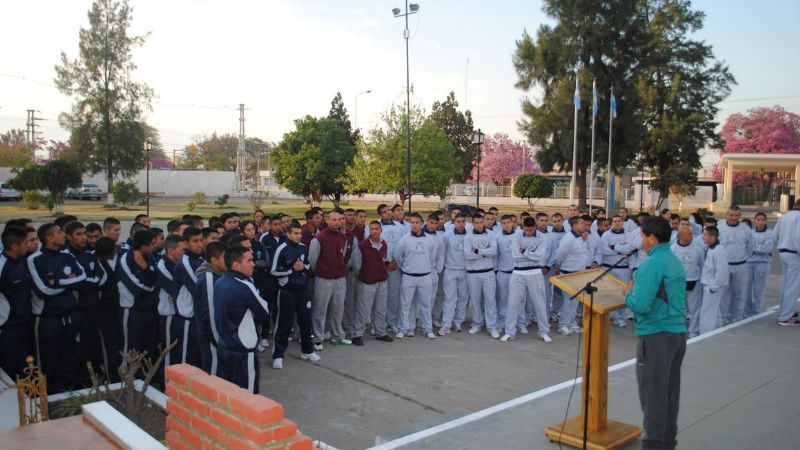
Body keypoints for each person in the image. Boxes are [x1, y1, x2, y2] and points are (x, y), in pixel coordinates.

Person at [622, 217, 687, 450]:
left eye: (642, 236)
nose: (641, 241)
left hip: (658, 334)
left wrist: (627, 293)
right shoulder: (674, 260)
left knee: (652, 395)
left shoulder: (652, 264)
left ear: (651, 238)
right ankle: (667, 442)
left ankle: (654, 445)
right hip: (677, 332)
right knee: (669, 393)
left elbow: (640, 304)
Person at [29, 223, 87, 392]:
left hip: (70, 315)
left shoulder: (67, 256)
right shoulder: (35, 259)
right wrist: (70, 282)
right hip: (48, 318)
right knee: (49, 359)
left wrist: (59, 281)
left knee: (70, 356)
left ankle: (69, 392)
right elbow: (43, 290)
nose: (64, 235)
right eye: (60, 232)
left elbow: (83, 280)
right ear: (49, 238)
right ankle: (50, 396)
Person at [214, 245, 269, 393]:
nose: (253, 264)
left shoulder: (219, 281)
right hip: (244, 350)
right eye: (249, 260)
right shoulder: (245, 285)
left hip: (225, 346)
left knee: (230, 393)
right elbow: (264, 314)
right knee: (248, 395)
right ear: (236, 264)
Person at [270, 223, 319, 368]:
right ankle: (278, 355)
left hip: (303, 290)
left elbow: (308, 265)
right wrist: (291, 270)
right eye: (295, 233)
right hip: (287, 291)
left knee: (306, 322)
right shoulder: (281, 249)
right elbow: (273, 271)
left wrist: (303, 267)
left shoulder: (303, 247)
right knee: (284, 323)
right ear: (288, 234)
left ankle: (307, 351)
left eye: (299, 233)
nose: (298, 236)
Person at [309, 211, 353, 349]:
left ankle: (337, 336)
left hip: (340, 279)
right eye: (334, 220)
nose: (337, 222)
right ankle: (317, 338)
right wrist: (323, 272)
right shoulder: (319, 238)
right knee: (320, 310)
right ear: (327, 221)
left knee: (338, 309)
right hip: (324, 279)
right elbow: (312, 261)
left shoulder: (343, 237)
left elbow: (343, 255)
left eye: (340, 219)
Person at [502, 217, 550, 342]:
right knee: (513, 303)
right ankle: (509, 332)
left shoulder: (542, 237)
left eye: (530, 230)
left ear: (535, 227)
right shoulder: (517, 236)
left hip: (535, 272)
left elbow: (540, 256)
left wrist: (524, 252)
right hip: (518, 272)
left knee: (539, 303)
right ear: (522, 227)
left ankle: (544, 331)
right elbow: (515, 256)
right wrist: (531, 254)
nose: (528, 232)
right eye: (526, 230)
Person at [117, 230, 159, 361]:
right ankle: (130, 378)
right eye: (152, 244)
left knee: (149, 346)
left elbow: (157, 279)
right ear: (143, 246)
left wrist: (145, 268)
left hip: (149, 309)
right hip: (132, 310)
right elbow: (138, 289)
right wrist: (151, 285)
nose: (155, 247)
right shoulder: (125, 260)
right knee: (132, 347)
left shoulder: (150, 257)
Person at [394, 213, 437, 339]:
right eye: (412, 222)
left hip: (425, 276)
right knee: (406, 304)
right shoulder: (405, 239)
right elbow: (398, 256)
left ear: (422, 223)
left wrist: (424, 266)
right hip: (408, 276)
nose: (414, 225)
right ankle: (404, 328)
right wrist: (406, 268)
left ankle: (427, 329)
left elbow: (432, 258)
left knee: (426, 304)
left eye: (417, 222)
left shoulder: (429, 239)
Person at [351, 221, 393, 344]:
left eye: (377, 229)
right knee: (363, 309)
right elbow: (356, 265)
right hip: (367, 282)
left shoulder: (384, 244)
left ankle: (380, 332)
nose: (375, 231)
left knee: (381, 309)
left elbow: (384, 261)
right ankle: (357, 334)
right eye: (372, 229)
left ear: (381, 230)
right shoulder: (362, 245)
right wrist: (365, 276)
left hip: (382, 281)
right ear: (369, 231)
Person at [0, 226, 31, 379]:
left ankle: (26, 400)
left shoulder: (21, 262)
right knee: (9, 368)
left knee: (25, 367)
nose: (29, 245)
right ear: (14, 246)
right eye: (26, 242)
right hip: (7, 327)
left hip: (24, 324)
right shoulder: (2, 265)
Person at [193, 241, 227, 375]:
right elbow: (210, 313)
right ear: (214, 260)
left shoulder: (218, 275)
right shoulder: (208, 278)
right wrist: (219, 340)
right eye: (225, 257)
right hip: (212, 338)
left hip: (218, 337)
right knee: (214, 373)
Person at [553, 216, 590, 335]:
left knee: (575, 301)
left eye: (585, 224)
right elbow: (560, 255)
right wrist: (558, 267)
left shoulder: (580, 237)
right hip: (568, 273)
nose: (584, 226)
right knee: (568, 301)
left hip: (579, 273)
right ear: (574, 225)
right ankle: (563, 325)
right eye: (582, 223)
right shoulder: (568, 238)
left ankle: (572, 323)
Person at [716, 206, 753, 325]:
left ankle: (736, 317)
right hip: (724, 266)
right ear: (726, 214)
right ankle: (723, 318)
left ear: (740, 216)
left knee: (739, 293)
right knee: (724, 294)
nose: (734, 218)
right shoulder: (720, 227)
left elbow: (750, 248)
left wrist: (742, 258)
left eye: (737, 215)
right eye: (731, 215)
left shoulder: (746, 230)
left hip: (740, 265)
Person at [93, 237, 123, 382]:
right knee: (109, 344)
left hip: (120, 307)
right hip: (104, 309)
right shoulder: (95, 261)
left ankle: (122, 374)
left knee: (121, 343)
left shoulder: (121, 257)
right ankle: (111, 377)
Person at [173, 227, 204, 366]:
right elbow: (198, 288)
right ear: (185, 243)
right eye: (195, 241)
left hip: (200, 315)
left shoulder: (201, 258)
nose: (199, 244)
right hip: (188, 316)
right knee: (187, 356)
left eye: (201, 240)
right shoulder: (184, 263)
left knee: (199, 355)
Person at [671, 219, 705, 338]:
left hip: (694, 282)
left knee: (694, 309)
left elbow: (702, 265)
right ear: (681, 236)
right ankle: (679, 330)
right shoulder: (673, 249)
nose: (691, 236)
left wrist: (699, 280)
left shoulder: (697, 249)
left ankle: (694, 332)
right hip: (678, 283)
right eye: (689, 234)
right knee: (678, 308)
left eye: (691, 234)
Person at [155, 235, 185, 369]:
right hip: (169, 314)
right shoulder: (162, 266)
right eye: (182, 250)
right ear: (171, 250)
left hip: (179, 314)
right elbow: (175, 290)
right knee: (168, 351)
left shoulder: (179, 264)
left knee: (178, 352)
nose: (184, 253)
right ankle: (165, 385)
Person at [440, 214, 469, 335]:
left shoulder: (470, 235)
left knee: (463, 298)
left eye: (463, 221)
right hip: (450, 270)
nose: (461, 224)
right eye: (458, 221)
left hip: (465, 271)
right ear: (454, 222)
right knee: (449, 298)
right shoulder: (447, 236)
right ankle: (446, 324)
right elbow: (443, 253)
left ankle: (458, 321)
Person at [773, 198, 800, 326]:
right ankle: (786, 317)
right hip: (794, 254)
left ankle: (783, 311)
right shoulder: (799, 217)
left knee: (785, 284)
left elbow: (774, 236)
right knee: (793, 286)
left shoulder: (784, 216)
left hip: (783, 252)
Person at [377, 204, 404, 333]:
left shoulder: (400, 227)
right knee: (380, 296)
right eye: (384, 212)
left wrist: (396, 262)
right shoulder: (376, 226)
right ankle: (378, 323)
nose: (387, 213)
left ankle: (392, 322)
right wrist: (382, 263)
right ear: (380, 215)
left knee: (394, 295)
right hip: (380, 266)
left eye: (389, 210)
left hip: (395, 266)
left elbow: (403, 246)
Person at [699, 226, 729, 334]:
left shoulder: (719, 251)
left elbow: (722, 271)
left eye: (705, 235)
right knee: (715, 310)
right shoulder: (711, 248)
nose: (703, 237)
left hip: (712, 285)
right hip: (709, 283)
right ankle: (717, 329)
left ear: (713, 236)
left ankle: (705, 333)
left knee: (707, 312)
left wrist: (714, 287)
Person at [746, 212, 774, 318]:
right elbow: (748, 247)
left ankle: (757, 310)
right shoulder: (750, 233)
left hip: (762, 263)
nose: (760, 222)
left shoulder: (770, 233)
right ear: (755, 221)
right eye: (758, 220)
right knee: (747, 288)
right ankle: (747, 311)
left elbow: (767, 248)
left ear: (765, 221)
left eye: (762, 220)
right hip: (749, 263)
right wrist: (758, 248)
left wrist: (755, 249)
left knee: (759, 288)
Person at [494, 215, 516, 336]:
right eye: (504, 223)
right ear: (501, 224)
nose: (506, 225)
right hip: (502, 272)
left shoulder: (518, 235)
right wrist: (496, 270)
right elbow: (495, 256)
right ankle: (501, 323)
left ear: (512, 223)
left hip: (516, 272)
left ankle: (517, 323)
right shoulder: (497, 237)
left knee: (516, 299)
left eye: (508, 222)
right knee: (502, 299)